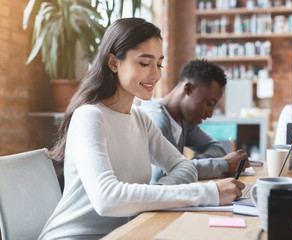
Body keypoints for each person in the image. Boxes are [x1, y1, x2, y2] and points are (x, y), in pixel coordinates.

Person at [38, 18, 245, 239]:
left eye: (159, 64)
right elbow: (108, 199)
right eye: (145, 63)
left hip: (127, 232)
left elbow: (185, 168)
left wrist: (154, 196)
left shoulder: (140, 118)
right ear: (113, 63)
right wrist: (206, 193)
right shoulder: (89, 116)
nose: (155, 74)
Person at [140, 59, 250, 183]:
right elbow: (162, 176)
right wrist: (223, 164)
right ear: (188, 89)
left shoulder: (183, 121)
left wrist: (189, 165)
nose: (210, 113)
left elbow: (215, 147)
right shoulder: (156, 119)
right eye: (209, 103)